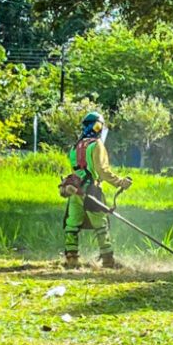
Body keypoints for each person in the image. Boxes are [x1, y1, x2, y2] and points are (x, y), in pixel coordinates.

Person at [62, 111, 132, 269]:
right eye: (98, 125)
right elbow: (102, 171)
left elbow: (76, 170)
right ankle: (108, 260)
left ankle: (71, 259)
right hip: (91, 190)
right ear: (96, 127)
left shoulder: (76, 146)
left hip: (76, 190)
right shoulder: (96, 145)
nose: (99, 129)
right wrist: (120, 182)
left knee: (72, 224)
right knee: (101, 225)